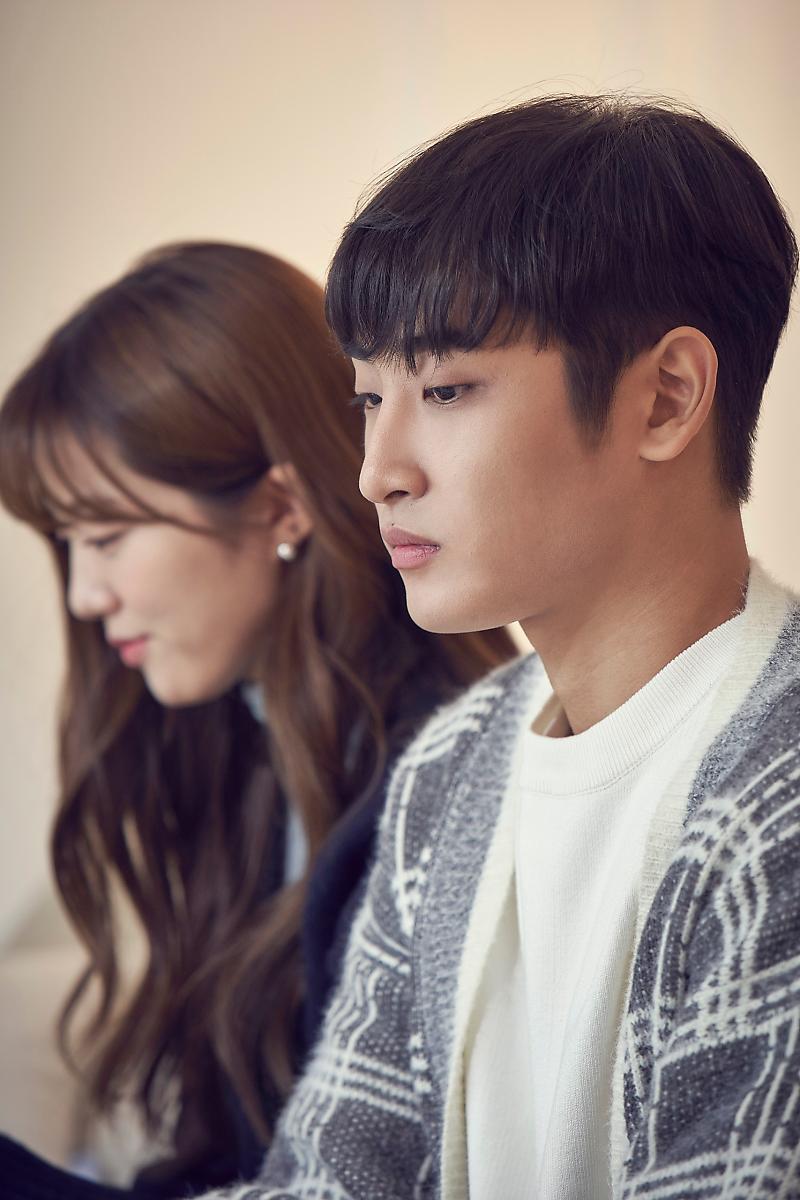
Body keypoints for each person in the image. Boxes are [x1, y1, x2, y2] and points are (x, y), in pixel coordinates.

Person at [166, 95, 796, 1198]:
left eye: (446, 389)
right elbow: (327, 1183)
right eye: (369, 399)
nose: (378, 471)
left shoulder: (777, 797)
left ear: (666, 398)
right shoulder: (451, 770)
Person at [0, 241, 516, 1198]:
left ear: (280, 507)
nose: (82, 595)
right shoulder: (243, 748)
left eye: (106, 536)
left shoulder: (436, 786)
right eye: (66, 543)